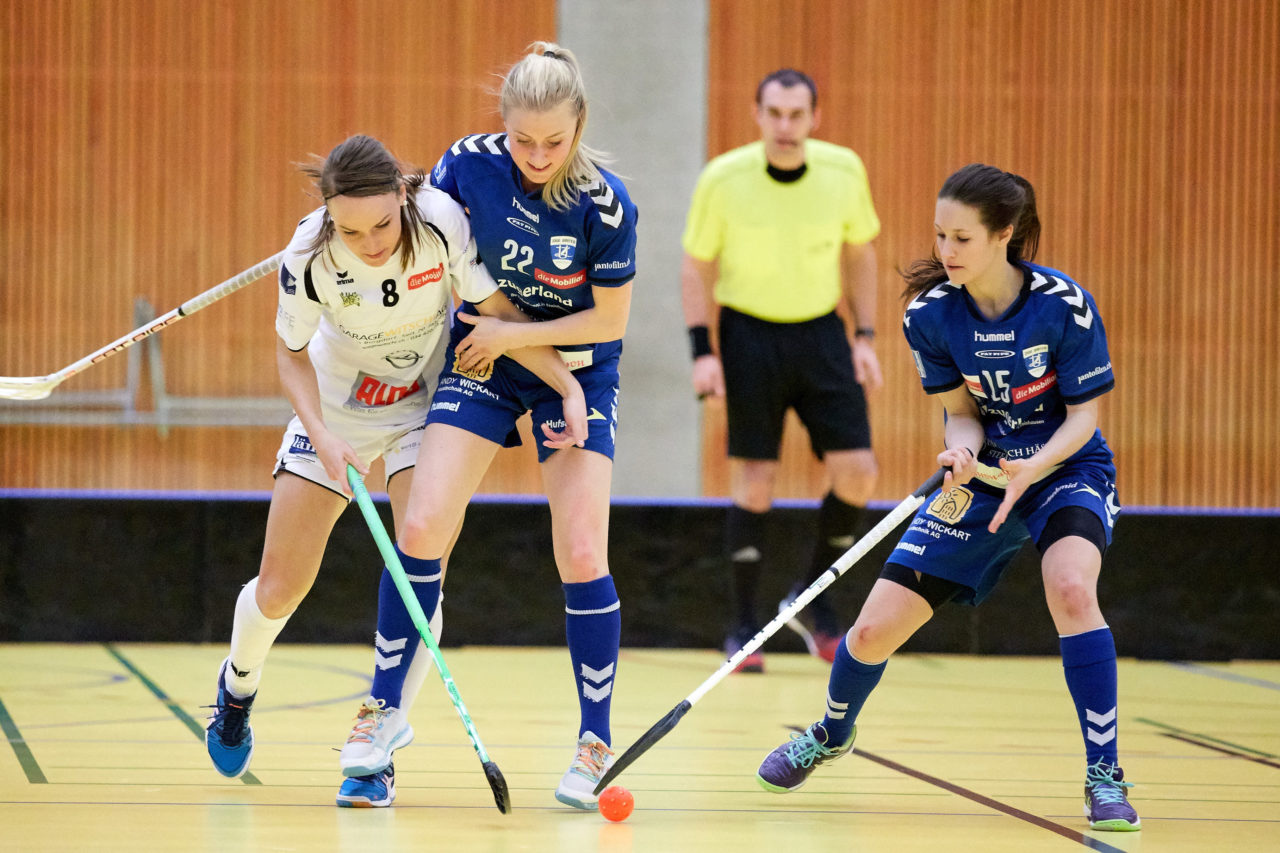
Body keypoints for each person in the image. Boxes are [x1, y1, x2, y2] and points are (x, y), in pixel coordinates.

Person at [755, 163, 1141, 832]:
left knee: (1073, 589)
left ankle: (1104, 773)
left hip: (1064, 470)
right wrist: (961, 451)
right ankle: (832, 731)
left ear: (1004, 234)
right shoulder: (930, 315)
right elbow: (961, 413)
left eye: (962, 238)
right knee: (870, 632)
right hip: (983, 477)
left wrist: (1032, 467)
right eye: (940, 235)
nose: (945, 251)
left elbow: (1084, 418)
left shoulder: (1063, 305)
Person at [204, 134, 587, 787]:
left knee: (421, 560)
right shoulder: (307, 254)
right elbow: (290, 356)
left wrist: (567, 384)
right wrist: (321, 433)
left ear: (403, 198)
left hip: (424, 405)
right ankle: (237, 688)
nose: (371, 242)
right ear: (329, 216)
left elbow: (497, 313)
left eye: (382, 224)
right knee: (281, 585)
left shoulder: (439, 222)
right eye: (352, 230)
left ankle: (379, 746)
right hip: (335, 413)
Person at [334, 42, 638, 811]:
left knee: (580, 549)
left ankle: (595, 741)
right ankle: (381, 713)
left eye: (554, 141)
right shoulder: (467, 166)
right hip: (483, 359)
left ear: (579, 125)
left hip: (576, 372)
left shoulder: (606, 206)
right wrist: (335, 229)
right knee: (423, 522)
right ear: (502, 124)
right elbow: (414, 230)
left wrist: (529, 349)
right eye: (522, 139)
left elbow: (608, 319)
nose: (536, 156)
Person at [681, 68, 883, 673]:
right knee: (755, 481)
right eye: (775, 113)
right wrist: (703, 351)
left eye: (797, 115)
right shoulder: (723, 178)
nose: (786, 126)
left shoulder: (844, 170)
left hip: (822, 333)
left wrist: (865, 336)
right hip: (748, 335)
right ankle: (745, 628)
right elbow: (696, 265)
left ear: (815, 117)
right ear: (758, 114)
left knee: (859, 473)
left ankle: (812, 599)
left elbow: (860, 254)